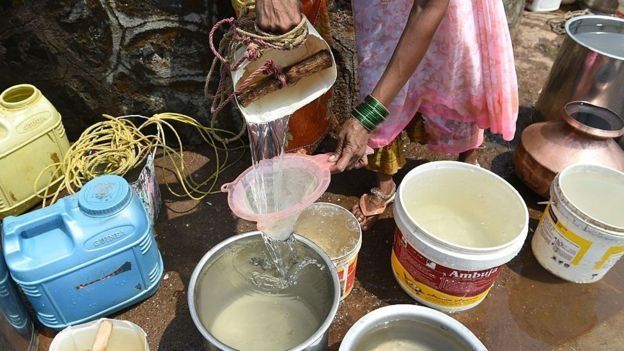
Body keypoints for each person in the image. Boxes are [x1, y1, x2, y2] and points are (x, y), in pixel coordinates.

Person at [256, 0, 518, 230]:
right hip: (382, 10)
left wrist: (365, 118)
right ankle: (385, 185)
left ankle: (467, 164)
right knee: (377, 76)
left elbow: (429, 6)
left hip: (452, 9)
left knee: (460, 74)